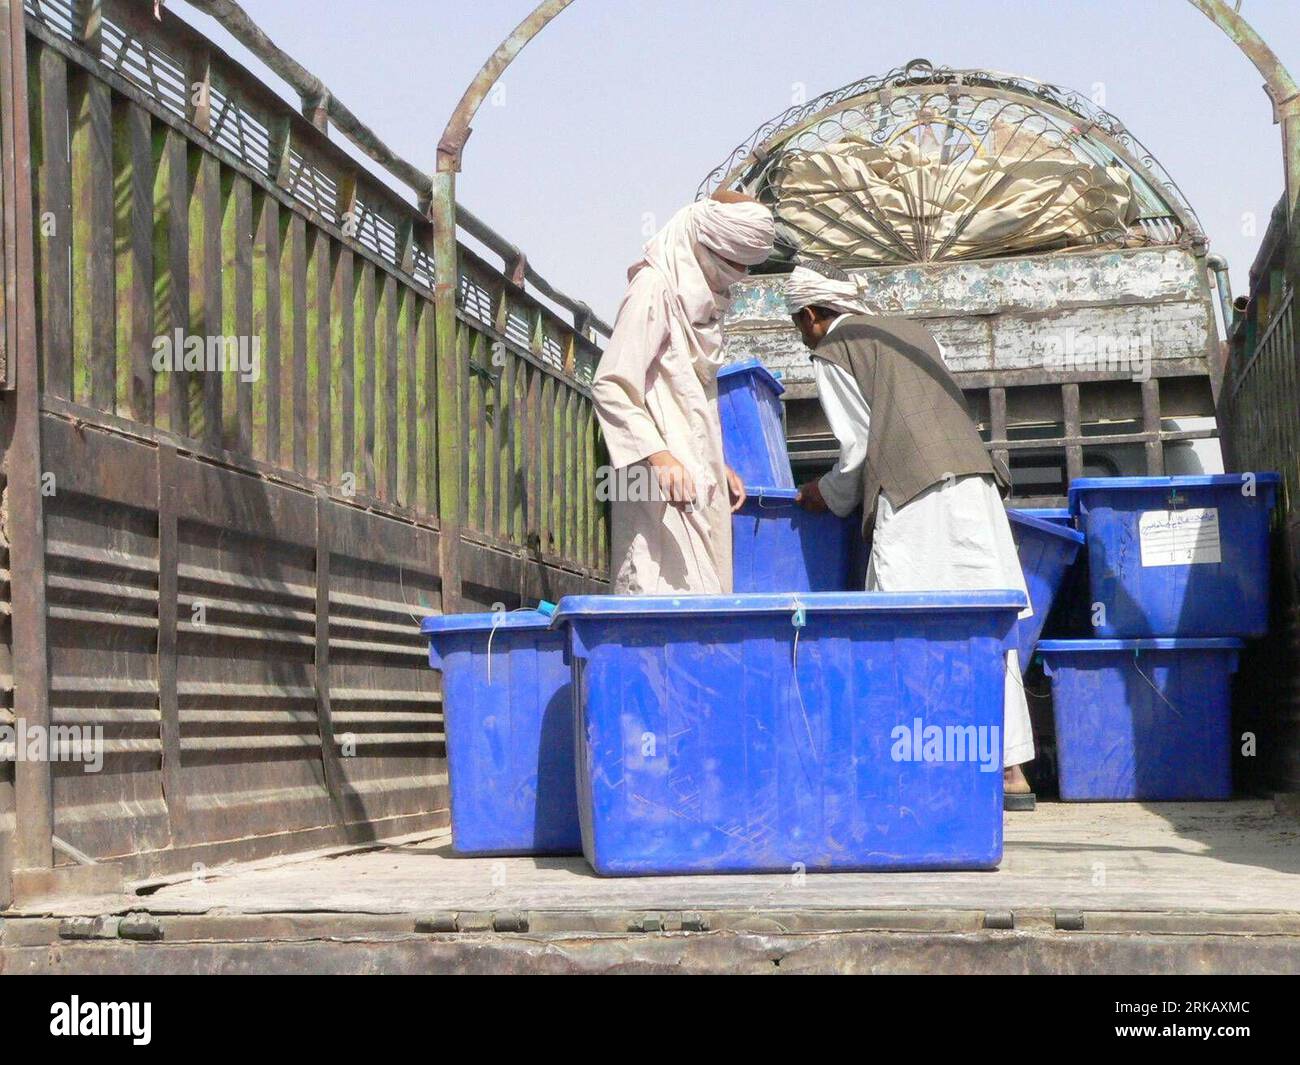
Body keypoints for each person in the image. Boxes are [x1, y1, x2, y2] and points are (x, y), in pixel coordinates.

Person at [787, 260, 1037, 808]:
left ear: (812, 315)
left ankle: (912, 769)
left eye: (796, 322)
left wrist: (823, 495)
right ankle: (1010, 771)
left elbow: (856, 451)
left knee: (900, 629)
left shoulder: (834, 348)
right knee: (986, 629)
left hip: (914, 498)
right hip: (976, 486)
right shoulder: (914, 333)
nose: (799, 333)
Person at [590, 193, 775, 595]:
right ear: (703, 247)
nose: (736, 275)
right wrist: (662, 457)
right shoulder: (653, 289)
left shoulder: (702, 308)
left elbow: (686, 401)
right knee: (659, 598)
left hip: (696, 480)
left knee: (703, 609)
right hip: (657, 485)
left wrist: (714, 463)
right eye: (731, 264)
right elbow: (611, 385)